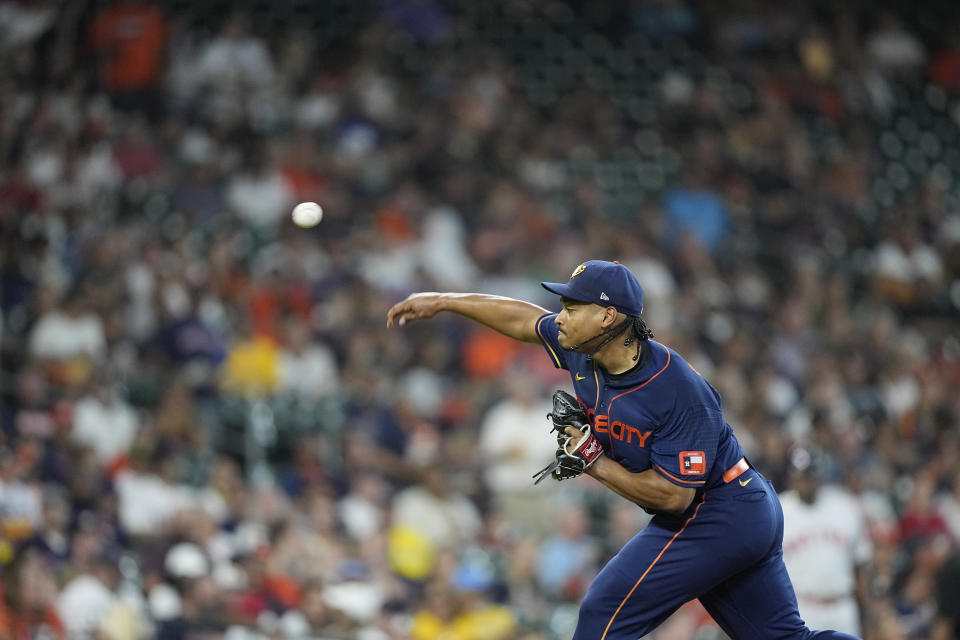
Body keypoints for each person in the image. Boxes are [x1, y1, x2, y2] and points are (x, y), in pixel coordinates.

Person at [387, 259, 859, 639]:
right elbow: (523, 320)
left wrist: (594, 462)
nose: (561, 316)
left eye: (573, 307)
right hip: (734, 511)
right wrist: (444, 301)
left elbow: (675, 497)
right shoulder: (582, 346)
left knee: (602, 614)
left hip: (722, 508)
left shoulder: (677, 388)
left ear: (609, 317)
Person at [779, 447, 872, 635]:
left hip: (843, 607)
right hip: (803, 608)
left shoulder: (845, 506)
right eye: (801, 476)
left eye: (810, 475)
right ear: (791, 478)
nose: (806, 482)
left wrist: (867, 610)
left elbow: (860, 565)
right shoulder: (778, 510)